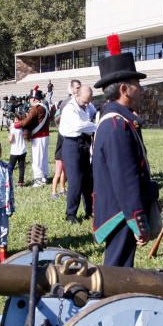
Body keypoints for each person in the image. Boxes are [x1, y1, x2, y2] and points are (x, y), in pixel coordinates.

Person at [91, 34, 159, 267]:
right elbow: (125, 178)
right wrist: (137, 220)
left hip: (122, 209)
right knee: (116, 272)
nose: (140, 88)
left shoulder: (120, 120)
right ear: (124, 89)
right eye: (136, 84)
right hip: (119, 212)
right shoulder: (115, 125)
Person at [58, 83, 96, 222]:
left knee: (88, 179)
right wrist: (95, 126)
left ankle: (89, 210)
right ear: (76, 95)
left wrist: (92, 122)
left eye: (89, 101)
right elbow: (79, 125)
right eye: (85, 101)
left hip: (85, 144)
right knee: (75, 181)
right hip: (71, 144)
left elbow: (93, 114)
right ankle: (71, 214)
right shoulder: (70, 108)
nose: (87, 104)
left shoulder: (87, 105)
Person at [14, 89, 51, 187]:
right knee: (43, 158)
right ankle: (44, 176)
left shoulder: (35, 108)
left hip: (38, 136)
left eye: (30, 98)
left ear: (34, 99)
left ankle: (38, 179)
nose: (29, 100)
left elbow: (27, 121)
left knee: (37, 159)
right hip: (45, 135)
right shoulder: (45, 107)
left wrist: (17, 125)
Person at [8, 111, 27, 187]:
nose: (15, 120)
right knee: (21, 166)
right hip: (23, 150)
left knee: (11, 166)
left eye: (16, 118)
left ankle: (8, 181)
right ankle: (21, 182)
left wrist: (9, 133)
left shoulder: (13, 127)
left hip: (14, 151)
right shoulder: (24, 127)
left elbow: (11, 140)